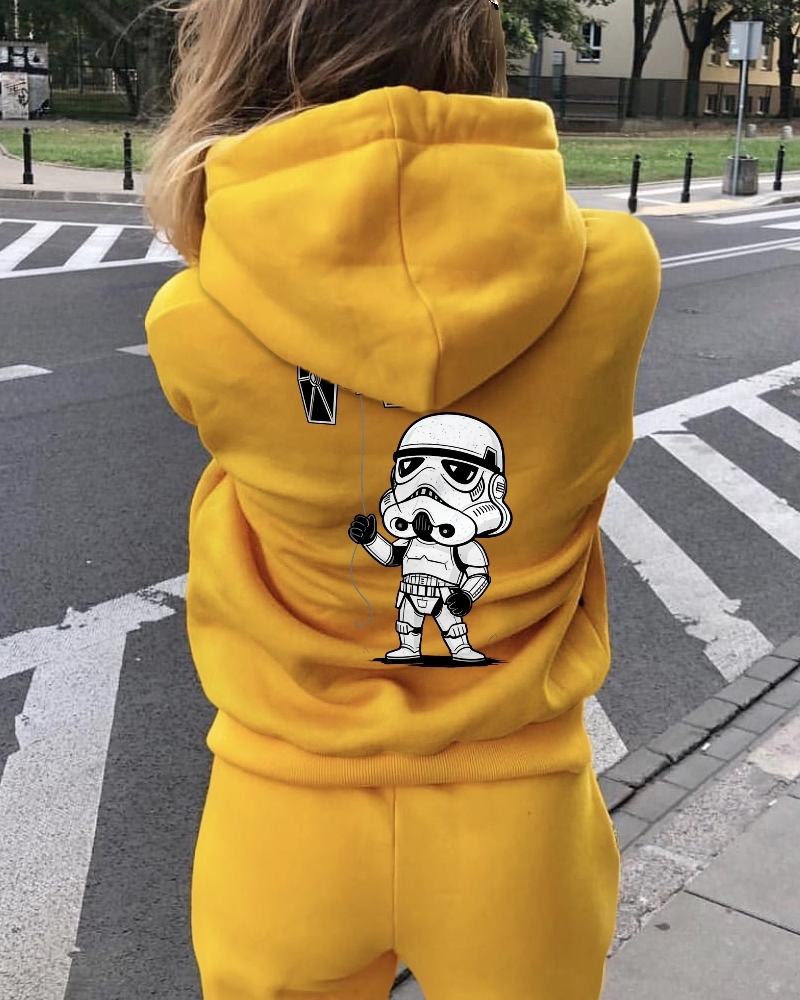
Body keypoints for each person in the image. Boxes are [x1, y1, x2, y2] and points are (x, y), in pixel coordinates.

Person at [143, 1, 661, 998]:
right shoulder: (613, 272)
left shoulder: (194, 317)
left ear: (246, 63)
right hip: (515, 821)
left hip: (284, 816)